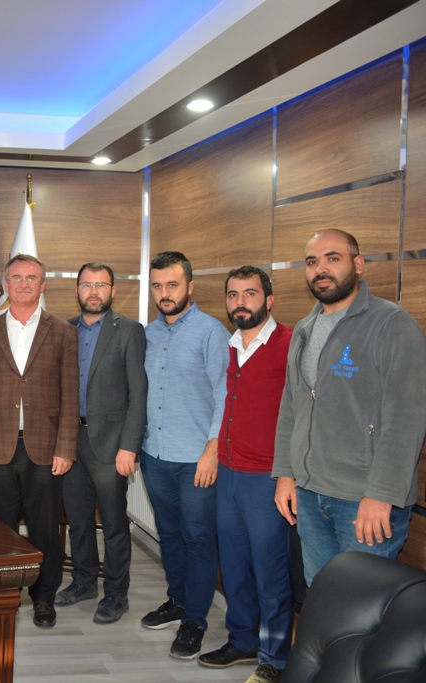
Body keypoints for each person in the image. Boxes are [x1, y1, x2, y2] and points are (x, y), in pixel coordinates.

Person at [273, 230, 426, 585]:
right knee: (322, 595)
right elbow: (291, 408)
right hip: (309, 495)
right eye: (312, 262)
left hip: (363, 500)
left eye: (333, 258)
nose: (320, 269)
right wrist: (285, 474)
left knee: (361, 602)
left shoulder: (391, 324)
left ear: (357, 264)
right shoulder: (305, 329)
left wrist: (381, 495)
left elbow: (407, 419)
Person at [0, 254, 78, 629]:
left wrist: (66, 448)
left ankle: (44, 597)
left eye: (32, 278)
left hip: (45, 449)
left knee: (44, 528)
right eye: (17, 278)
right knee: (0, 529)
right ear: (6, 285)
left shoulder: (62, 332)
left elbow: (70, 395)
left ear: (42, 285)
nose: (24, 284)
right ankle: (4, 594)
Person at [198, 266, 293, 683]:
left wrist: (289, 472)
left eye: (250, 293)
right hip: (229, 472)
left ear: (268, 300)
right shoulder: (229, 345)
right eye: (233, 294)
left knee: (270, 572)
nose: (240, 302)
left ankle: (275, 658)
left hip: (267, 478)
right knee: (234, 566)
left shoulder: (290, 343)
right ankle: (242, 640)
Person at [139, 250, 230, 659]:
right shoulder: (148, 334)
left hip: (196, 459)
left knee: (197, 537)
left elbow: (225, 395)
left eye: (172, 285)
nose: (165, 293)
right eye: (157, 286)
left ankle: (195, 620)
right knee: (170, 534)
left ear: (190, 287)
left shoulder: (212, 332)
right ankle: (177, 601)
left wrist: (212, 450)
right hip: (155, 454)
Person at [55, 263, 147, 625]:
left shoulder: (129, 331)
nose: (93, 292)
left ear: (113, 290)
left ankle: (116, 593)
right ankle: (83, 582)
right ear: (77, 290)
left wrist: (130, 445)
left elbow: (138, 393)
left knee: (113, 523)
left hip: (111, 444)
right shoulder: (64, 330)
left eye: (101, 285)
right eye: (87, 285)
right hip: (70, 440)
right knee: (78, 520)